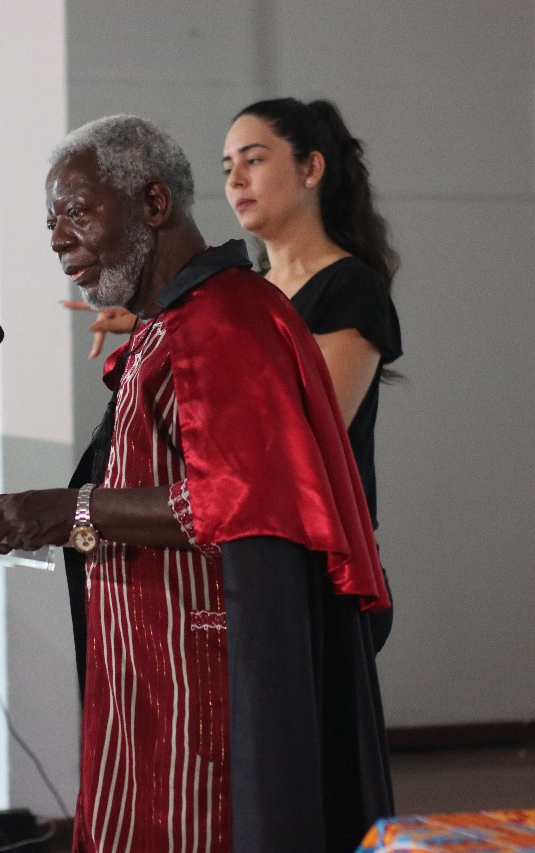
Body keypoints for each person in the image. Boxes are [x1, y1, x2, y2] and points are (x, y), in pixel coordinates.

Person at [0, 115, 393, 851]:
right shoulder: (170, 324)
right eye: (51, 221)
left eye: (77, 212)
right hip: (150, 666)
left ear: (153, 204)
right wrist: (43, 516)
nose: (58, 238)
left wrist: (66, 509)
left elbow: (236, 498)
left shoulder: (223, 320)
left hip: (205, 684)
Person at [66, 97, 402, 656]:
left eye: (254, 160)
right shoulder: (247, 295)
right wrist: (159, 327)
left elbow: (300, 439)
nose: (236, 180)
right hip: (229, 569)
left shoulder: (348, 287)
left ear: (311, 168)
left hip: (313, 569)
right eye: (227, 168)